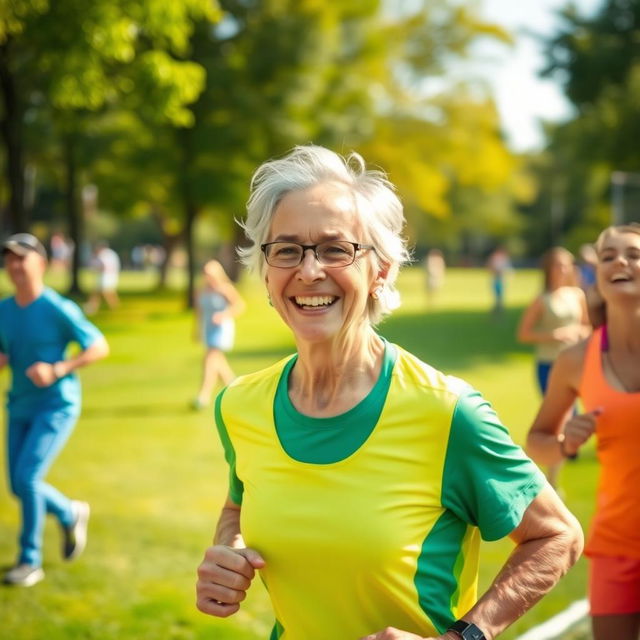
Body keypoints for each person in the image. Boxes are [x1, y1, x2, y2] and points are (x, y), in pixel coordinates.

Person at [195, 146, 583, 640]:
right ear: (267, 274)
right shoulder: (239, 405)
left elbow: (557, 536)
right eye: (287, 249)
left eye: (336, 249)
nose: (309, 271)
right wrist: (228, 553)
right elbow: (238, 502)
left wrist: (464, 637)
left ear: (380, 270)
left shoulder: (446, 411)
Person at [527, 223, 640, 640]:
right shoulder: (576, 360)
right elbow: (536, 444)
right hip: (614, 545)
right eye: (608, 256)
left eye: (632, 253)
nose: (620, 262)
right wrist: (565, 443)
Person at [0, 233, 109, 587]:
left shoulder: (57, 307)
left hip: (56, 406)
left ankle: (29, 561)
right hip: (19, 405)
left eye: (22, 257)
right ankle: (68, 511)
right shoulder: (4, 309)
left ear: (41, 264)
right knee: (18, 486)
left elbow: (98, 345)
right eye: (10, 259)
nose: (15, 265)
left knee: (28, 479)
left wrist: (58, 368)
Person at [517, 247, 591, 487]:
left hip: (575, 366)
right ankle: (551, 481)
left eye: (567, 264)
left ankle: (547, 473)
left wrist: (578, 334)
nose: (563, 269)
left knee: (570, 418)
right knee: (559, 419)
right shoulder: (543, 300)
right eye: (558, 265)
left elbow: (587, 328)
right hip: (549, 365)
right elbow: (524, 334)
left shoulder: (577, 294)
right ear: (548, 269)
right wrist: (555, 335)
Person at [193, 259, 245, 410]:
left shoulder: (225, 289)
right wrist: (196, 330)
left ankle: (204, 395)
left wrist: (224, 315)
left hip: (222, 328)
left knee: (210, 359)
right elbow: (199, 312)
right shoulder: (201, 290)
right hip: (208, 328)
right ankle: (235, 389)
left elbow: (240, 306)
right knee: (218, 363)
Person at [85, 241, 121, 314]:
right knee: (100, 292)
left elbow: (104, 266)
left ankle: (92, 308)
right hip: (111, 276)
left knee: (103, 292)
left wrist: (95, 268)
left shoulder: (103, 254)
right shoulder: (111, 253)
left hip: (105, 276)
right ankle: (93, 307)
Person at [486, 246, 511, 315]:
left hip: (500, 279)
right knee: (497, 297)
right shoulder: (495, 258)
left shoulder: (503, 258)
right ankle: (497, 311)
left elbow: (507, 268)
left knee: (500, 297)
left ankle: (498, 311)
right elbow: (490, 267)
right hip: (496, 279)